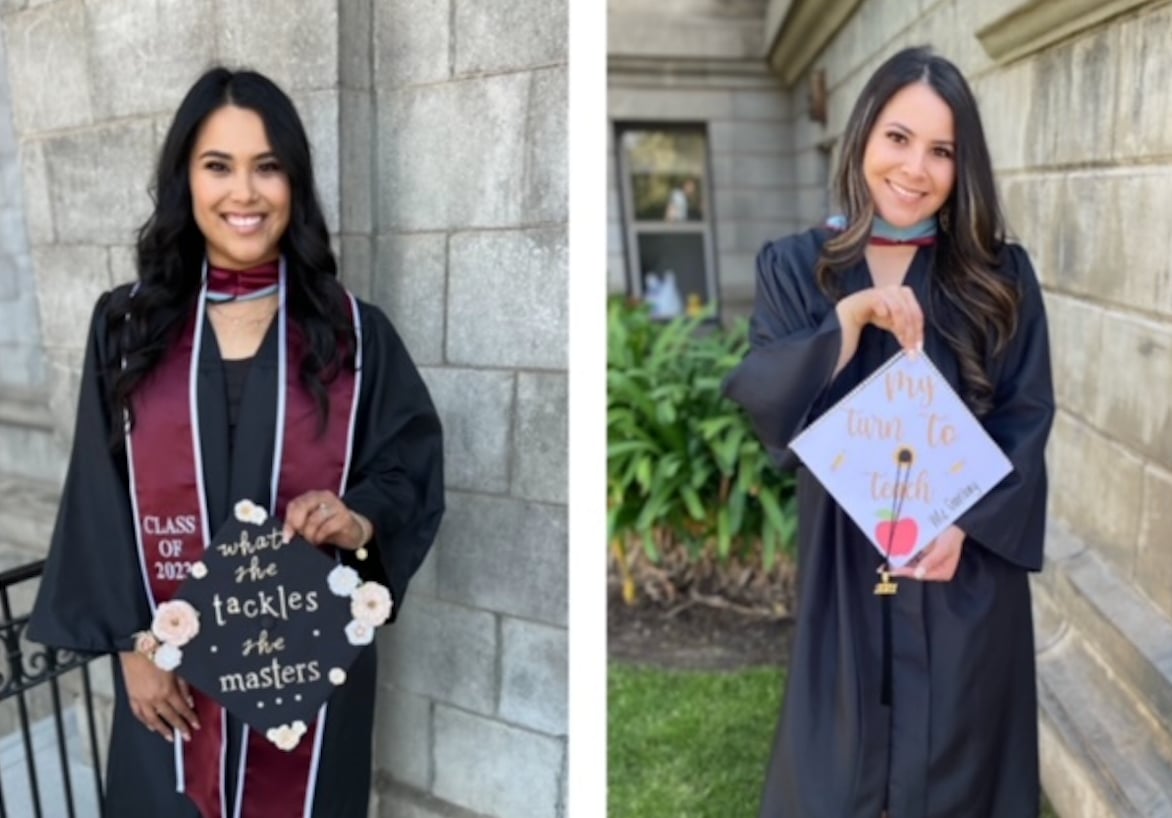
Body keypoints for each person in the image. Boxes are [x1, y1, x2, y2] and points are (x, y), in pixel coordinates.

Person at [28, 67, 444, 818]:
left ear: (296, 183)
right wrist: (132, 647)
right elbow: (99, 493)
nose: (244, 194)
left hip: (305, 675)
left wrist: (358, 519)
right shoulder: (128, 328)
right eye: (218, 166)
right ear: (184, 179)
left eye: (268, 167)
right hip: (168, 678)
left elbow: (407, 466)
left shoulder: (354, 335)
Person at [725, 47, 1054, 818]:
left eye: (942, 150)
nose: (915, 168)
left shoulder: (998, 275)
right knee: (839, 777)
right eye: (898, 138)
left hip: (961, 567)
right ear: (863, 137)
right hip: (846, 557)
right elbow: (770, 397)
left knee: (961, 769)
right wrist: (850, 316)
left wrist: (968, 523)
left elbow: (1026, 411)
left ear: (962, 164)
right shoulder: (799, 267)